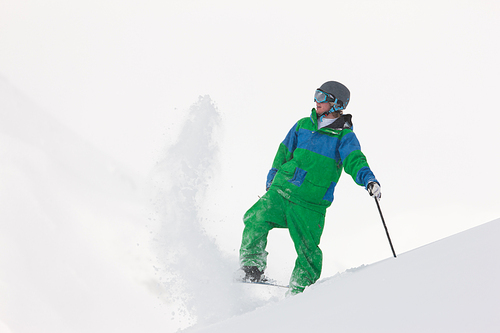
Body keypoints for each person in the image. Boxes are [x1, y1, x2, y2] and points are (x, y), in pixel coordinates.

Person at [237, 81, 381, 295]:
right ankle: (251, 268)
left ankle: (299, 292)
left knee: (308, 252)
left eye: (322, 97)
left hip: (310, 203)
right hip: (282, 189)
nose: (316, 101)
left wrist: (368, 180)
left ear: (336, 104)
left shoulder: (344, 136)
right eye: (316, 95)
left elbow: (355, 160)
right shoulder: (303, 125)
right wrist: (273, 175)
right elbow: (284, 150)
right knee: (255, 218)